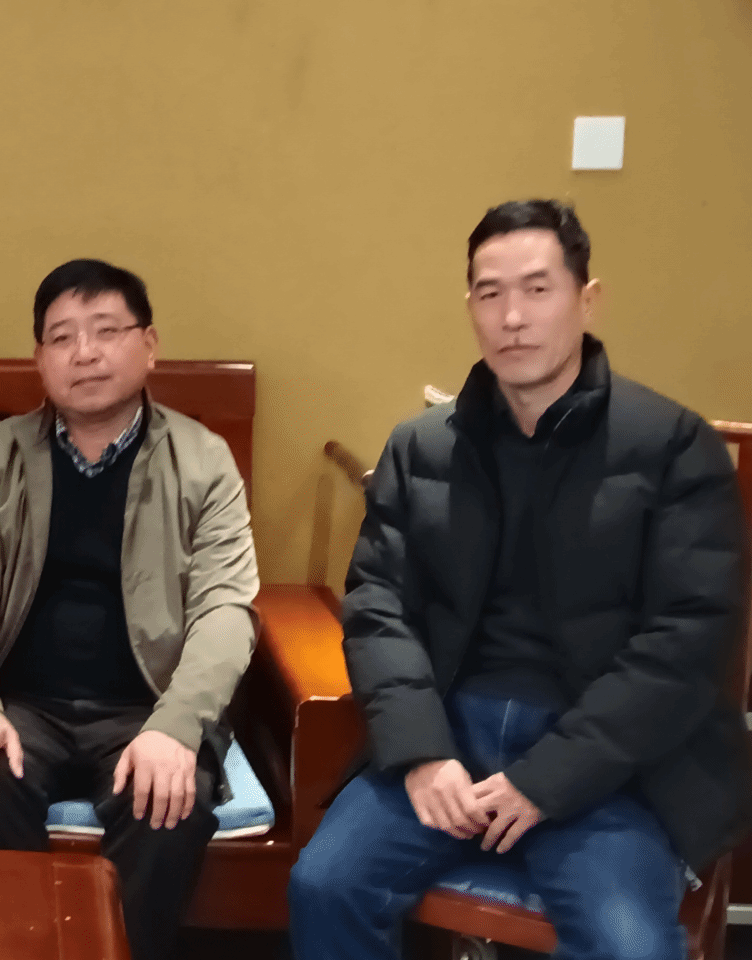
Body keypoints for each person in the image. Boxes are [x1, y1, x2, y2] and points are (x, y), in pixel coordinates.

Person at [288, 201, 751, 960]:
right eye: (490, 293)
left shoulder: (672, 446)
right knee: (324, 886)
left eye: (538, 289)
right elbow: (378, 608)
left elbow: (688, 640)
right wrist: (420, 751)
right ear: (469, 306)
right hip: (449, 733)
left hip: (607, 761)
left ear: (586, 300)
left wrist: (548, 779)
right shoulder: (420, 448)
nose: (512, 317)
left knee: (628, 945)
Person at [0, 259, 260, 960]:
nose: (85, 352)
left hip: (148, 704)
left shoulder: (203, 459)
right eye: (63, 337)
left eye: (106, 330)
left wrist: (177, 725)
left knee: (168, 806)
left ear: (149, 345)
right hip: (24, 705)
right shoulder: (2, 451)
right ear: (40, 360)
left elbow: (226, 610)